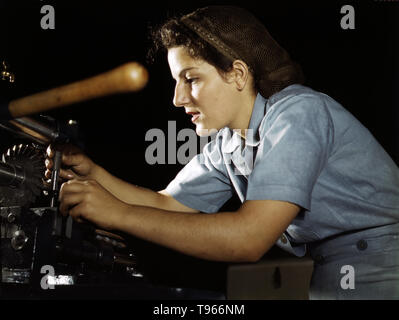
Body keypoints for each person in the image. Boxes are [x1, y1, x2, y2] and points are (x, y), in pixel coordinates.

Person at [45, 6, 399, 299]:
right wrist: (94, 176)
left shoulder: (298, 114)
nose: (178, 99)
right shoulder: (229, 144)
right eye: (175, 82)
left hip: (385, 270)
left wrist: (118, 214)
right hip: (329, 275)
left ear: (238, 74)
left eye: (192, 79)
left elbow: (247, 240)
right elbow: (167, 204)